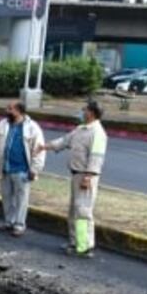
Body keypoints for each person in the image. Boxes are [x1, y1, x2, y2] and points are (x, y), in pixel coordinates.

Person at [37, 101, 108, 257]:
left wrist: (88, 176)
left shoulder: (97, 133)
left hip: (86, 175)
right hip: (76, 174)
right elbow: (64, 141)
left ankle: (85, 245)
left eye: (85, 110)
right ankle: (74, 241)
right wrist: (45, 146)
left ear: (91, 113)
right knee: (73, 210)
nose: (82, 112)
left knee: (83, 211)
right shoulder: (80, 130)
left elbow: (96, 157)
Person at [0, 101, 45, 236]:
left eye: (10, 109)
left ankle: (19, 225)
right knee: (7, 197)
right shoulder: (2, 125)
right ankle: (9, 222)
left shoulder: (32, 128)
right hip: (5, 168)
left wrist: (34, 169)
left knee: (21, 199)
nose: (6, 110)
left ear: (19, 111)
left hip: (22, 170)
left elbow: (38, 150)